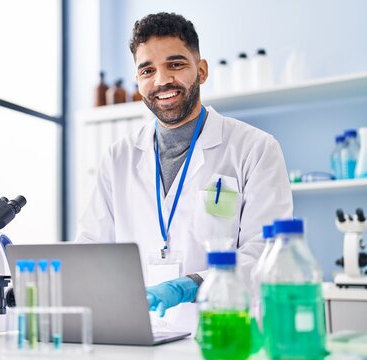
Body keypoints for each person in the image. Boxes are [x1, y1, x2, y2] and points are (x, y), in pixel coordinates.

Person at [76, 12, 293, 332]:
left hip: (225, 331)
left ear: (201, 71)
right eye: (147, 70)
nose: (161, 80)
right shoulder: (118, 157)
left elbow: (268, 254)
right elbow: (92, 249)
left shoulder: (255, 148)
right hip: (141, 334)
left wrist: (192, 284)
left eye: (175, 64)